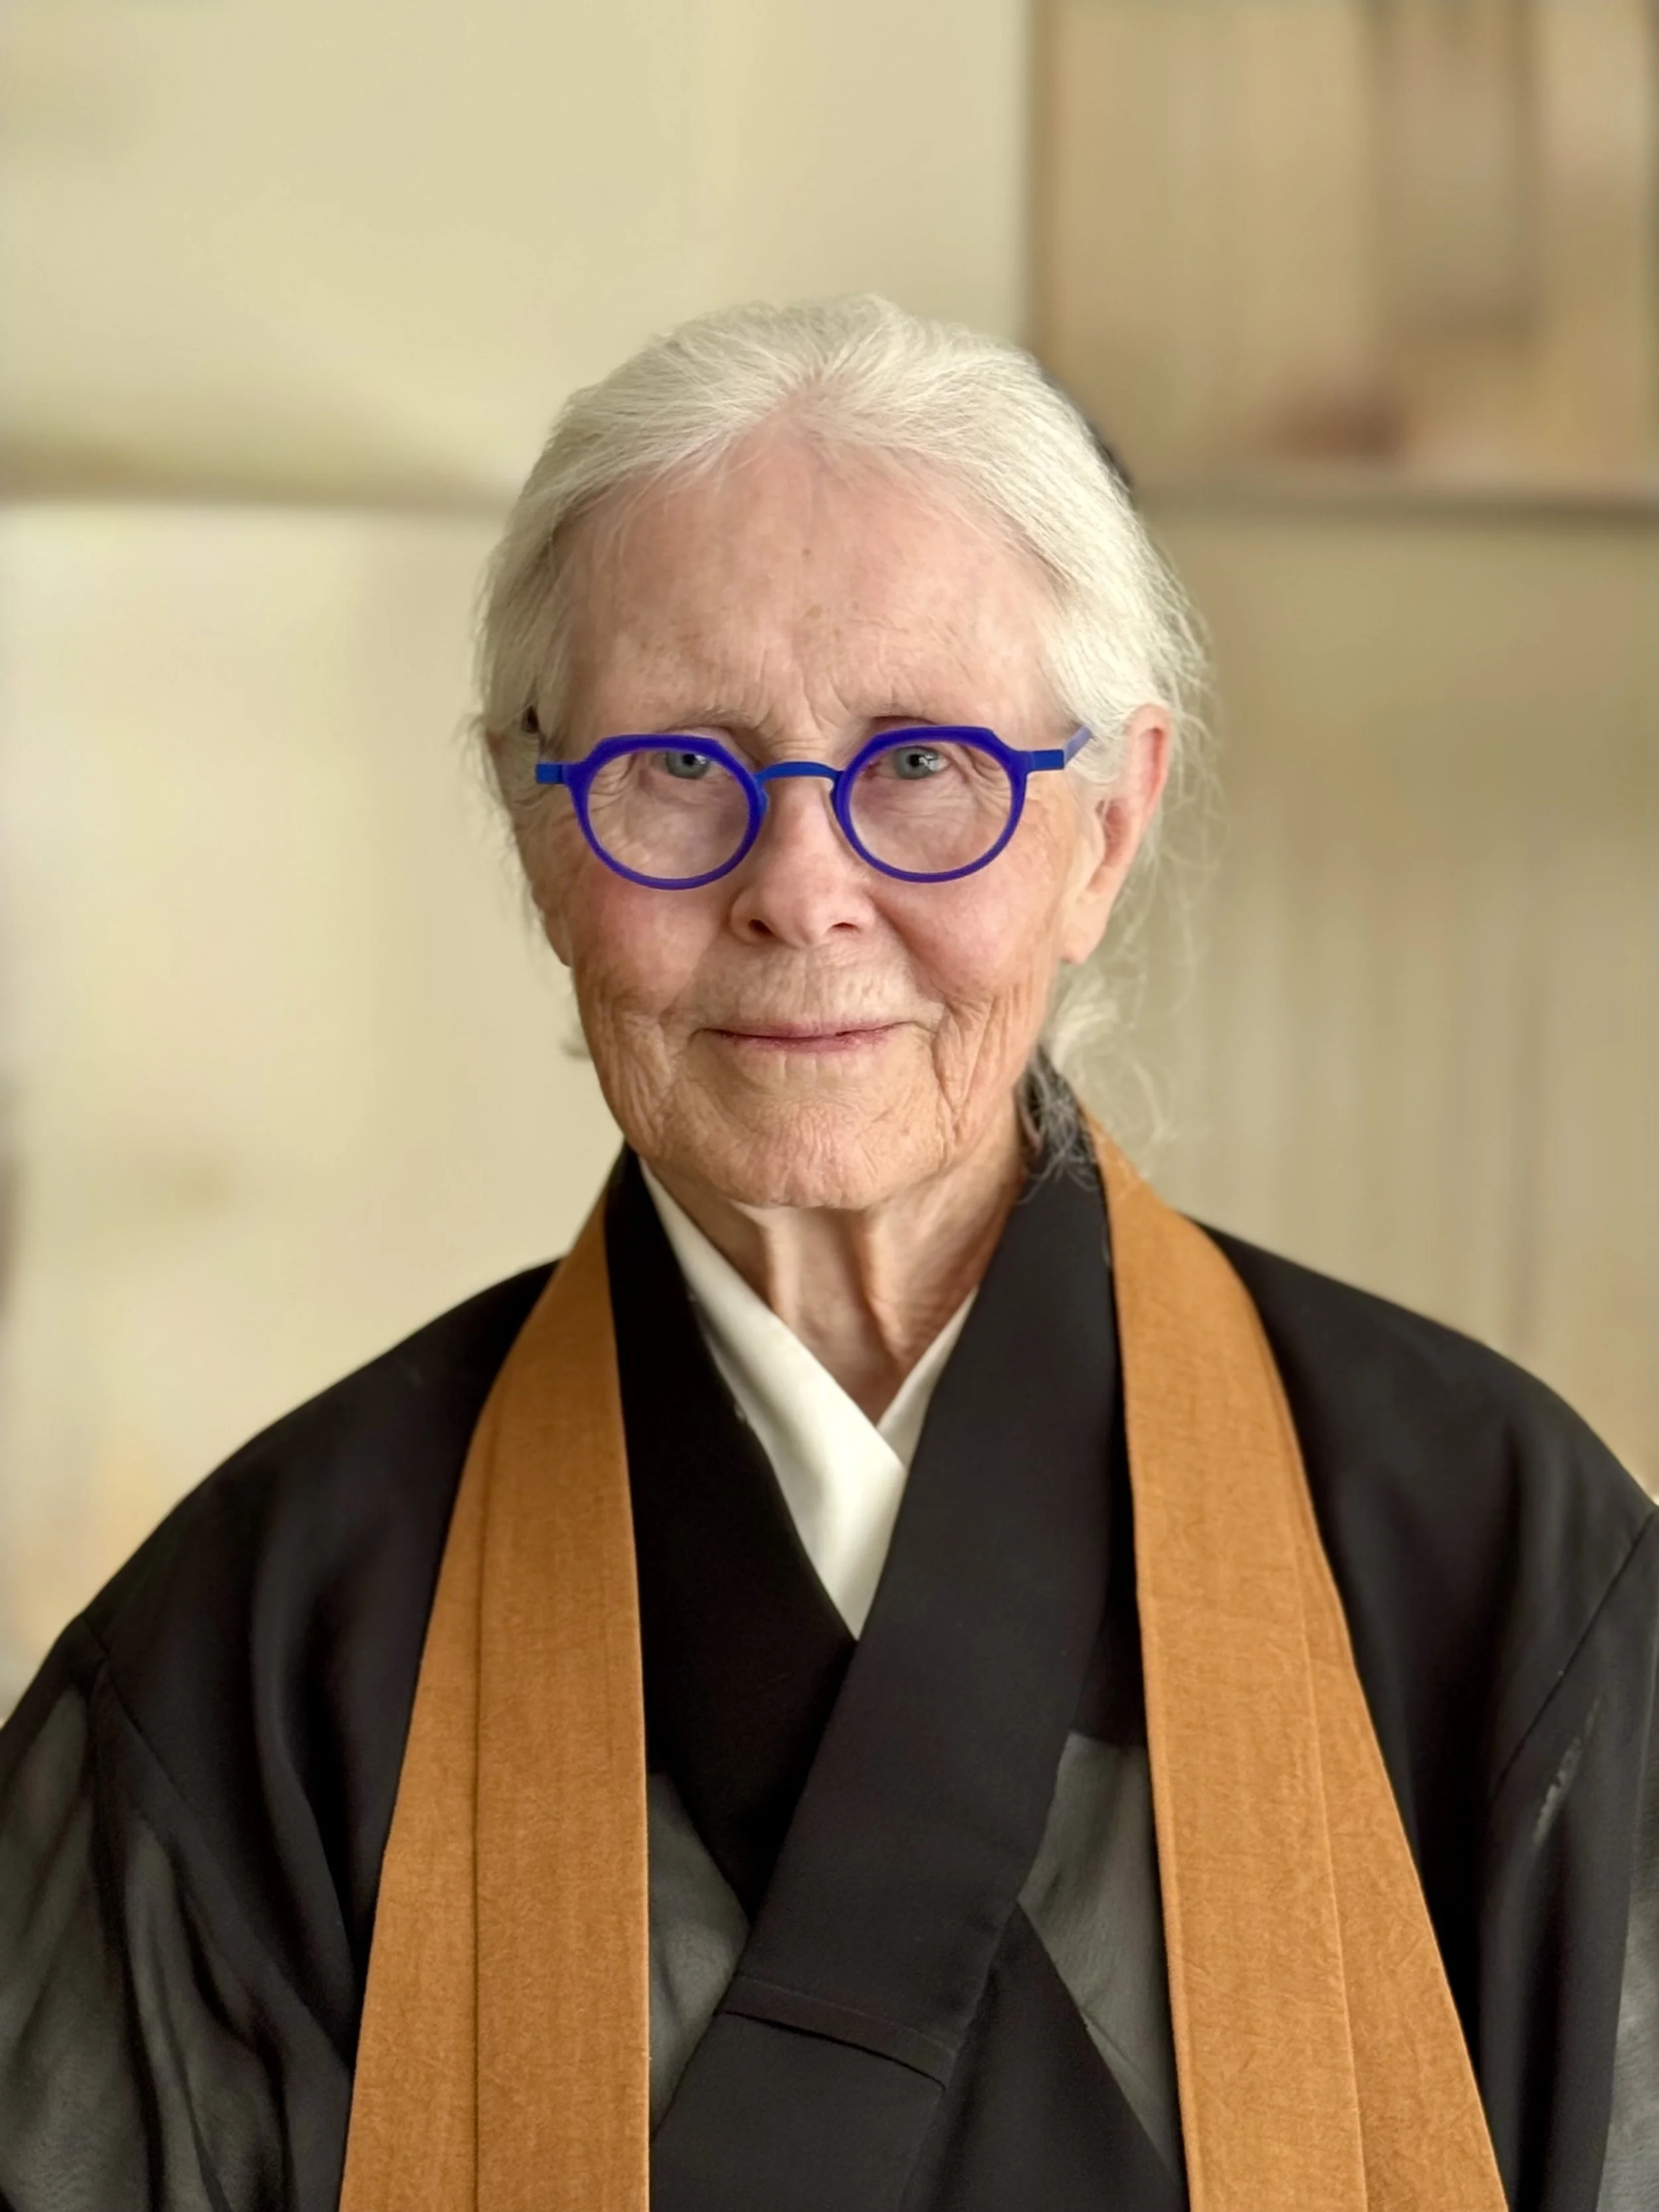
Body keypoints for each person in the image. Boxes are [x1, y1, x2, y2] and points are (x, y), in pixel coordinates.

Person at [0, 297, 1652, 2212]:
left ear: (1103, 830)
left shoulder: (1487, 1563)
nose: (800, 887)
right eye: (678, 766)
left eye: (926, 763)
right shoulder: (253, 1669)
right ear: (533, 836)